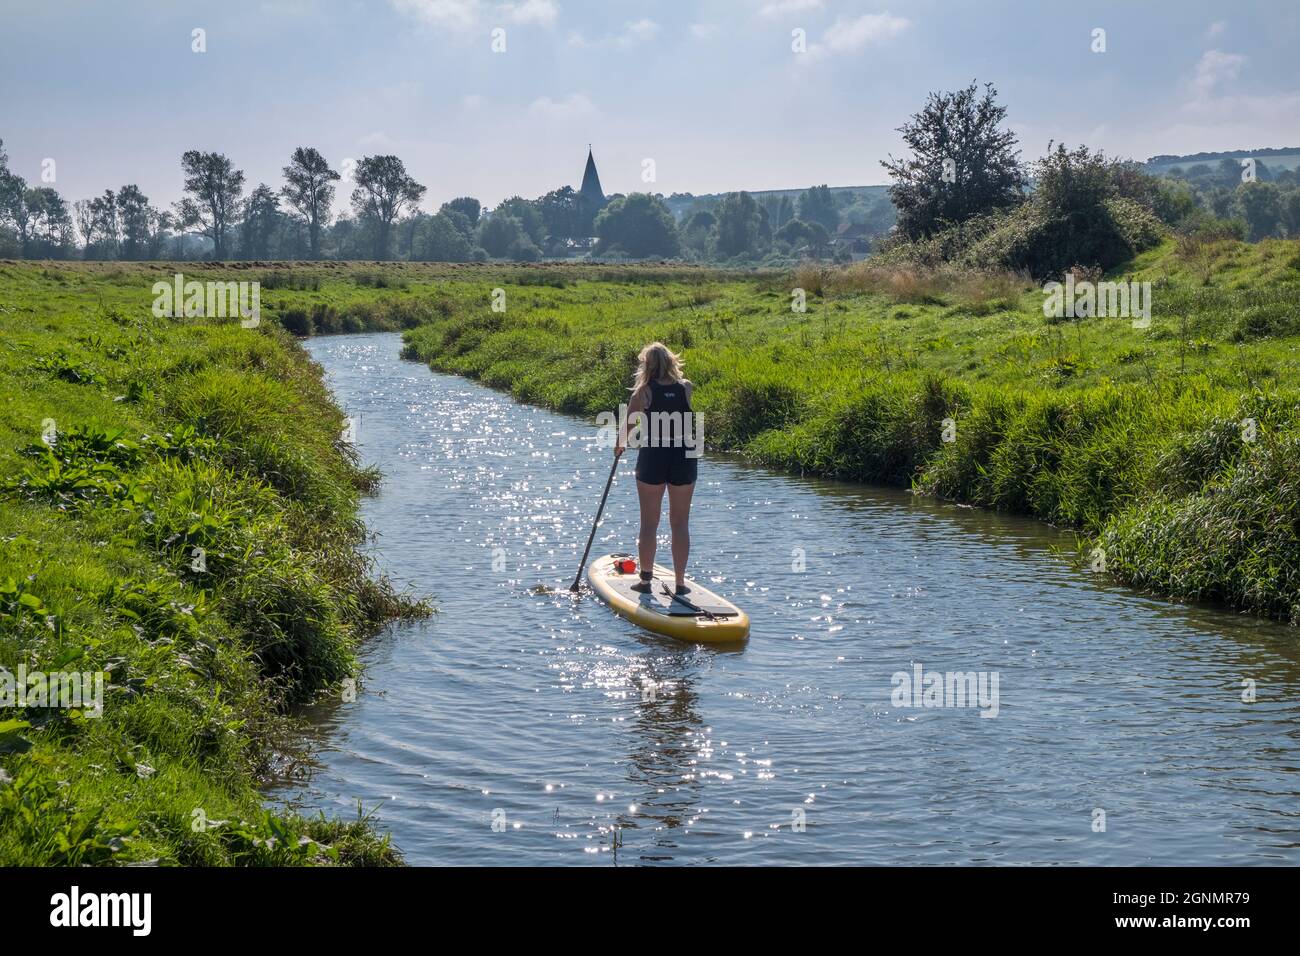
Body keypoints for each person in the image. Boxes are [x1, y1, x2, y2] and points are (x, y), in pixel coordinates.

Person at [614, 342, 697, 595]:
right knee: (680, 523)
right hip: (685, 456)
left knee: (649, 523)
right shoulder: (686, 387)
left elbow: (628, 427)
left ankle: (646, 581)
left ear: (646, 365)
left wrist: (619, 447)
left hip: (654, 456)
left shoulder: (642, 393)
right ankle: (680, 584)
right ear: (672, 362)